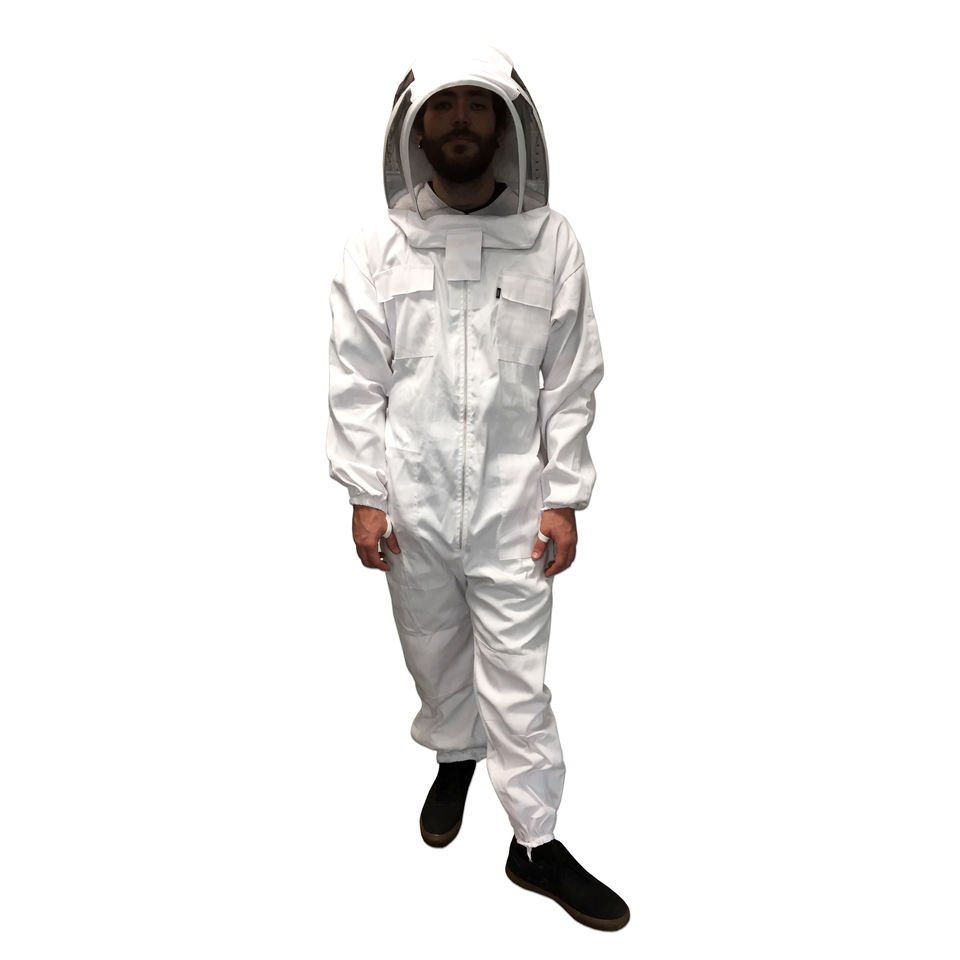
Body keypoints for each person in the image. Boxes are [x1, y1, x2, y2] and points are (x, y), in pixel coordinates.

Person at [327, 46, 629, 931]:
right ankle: (454, 755)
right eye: (444, 107)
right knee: (430, 648)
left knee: (520, 682)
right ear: (417, 128)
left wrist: (564, 495)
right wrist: (364, 492)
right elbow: (355, 376)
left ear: (505, 126)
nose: (460, 120)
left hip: (513, 508)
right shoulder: (376, 246)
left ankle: (534, 843)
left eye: (477, 106)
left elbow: (571, 377)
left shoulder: (551, 240)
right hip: (411, 503)